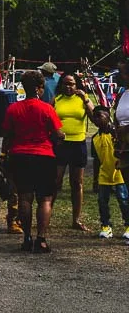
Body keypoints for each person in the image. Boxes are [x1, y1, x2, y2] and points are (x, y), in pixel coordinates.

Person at [1, 70, 64, 253]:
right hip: (44, 156)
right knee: (45, 199)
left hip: (20, 156)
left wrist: (3, 157)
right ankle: (41, 239)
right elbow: (58, 133)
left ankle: (27, 237)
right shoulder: (47, 109)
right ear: (39, 88)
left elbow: (7, 136)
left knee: (25, 198)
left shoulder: (13, 109)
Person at [53, 73, 95, 231]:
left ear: (77, 85)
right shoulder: (57, 100)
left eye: (71, 84)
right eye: (65, 84)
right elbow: (49, 119)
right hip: (61, 145)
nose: (68, 87)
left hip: (78, 144)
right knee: (56, 182)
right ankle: (47, 214)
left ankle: (76, 219)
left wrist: (86, 98)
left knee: (77, 183)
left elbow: (94, 117)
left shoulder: (82, 99)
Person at [91, 105, 129, 240]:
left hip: (119, 173)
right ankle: (106, 226)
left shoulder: (118, 135)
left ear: (108, 116)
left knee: (124, 200)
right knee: (102, 201)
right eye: (94, 117)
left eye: (100, 116)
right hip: (104, 174)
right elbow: (96, 160)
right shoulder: (95, 138)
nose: (96, 120)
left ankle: (128, 225)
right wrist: (95, 179)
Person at [114, 60, 129, 186]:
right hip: (124, 147)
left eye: (123, 73)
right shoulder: (123, 94)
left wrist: (126, 128)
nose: (120, 76)